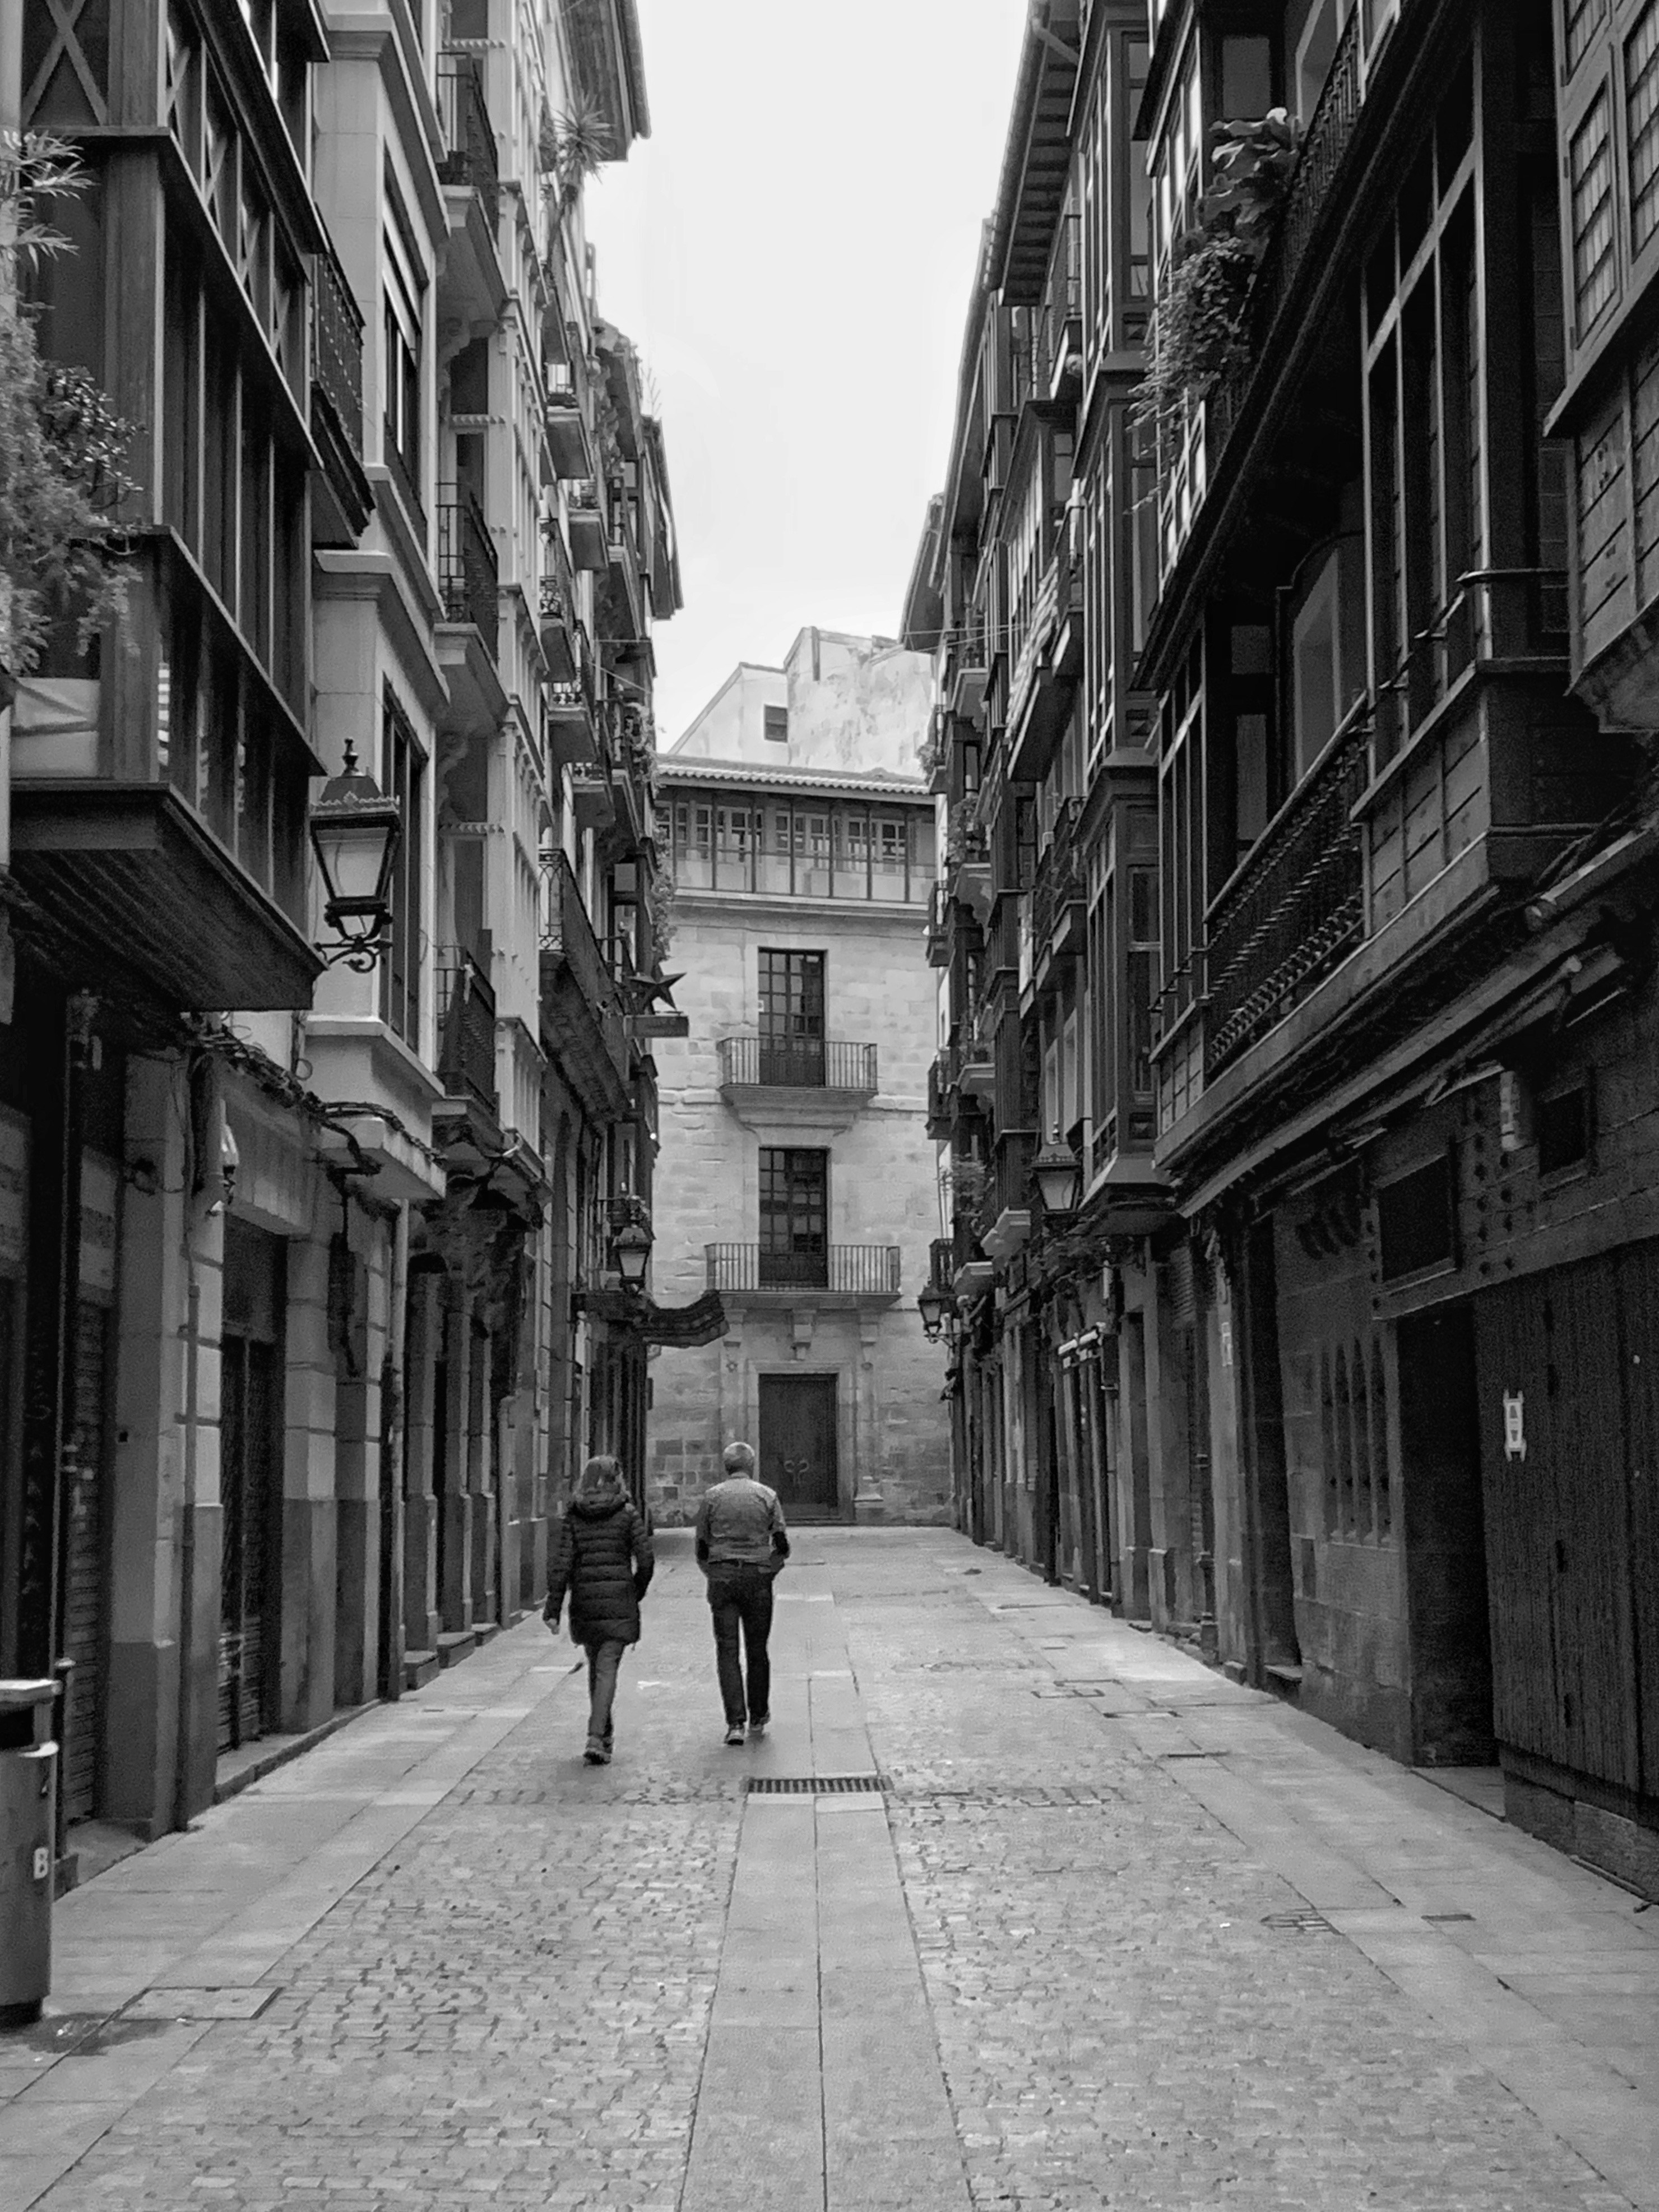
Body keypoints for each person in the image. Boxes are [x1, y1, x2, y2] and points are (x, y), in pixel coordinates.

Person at [543, 1455, 655, 1765]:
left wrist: (553, 1609)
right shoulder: (628, 1514)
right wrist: (635, 1591)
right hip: (619, 1600)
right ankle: (596, 1737)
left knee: (597, 1665)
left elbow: (562, 1564)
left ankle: (604, 1737)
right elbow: (646, 1561)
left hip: (586, 1601)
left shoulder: (575, 1515)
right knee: (606, 1668)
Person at [695, 1440, 789, 1745]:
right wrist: (770, 1568)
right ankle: (759, 1715)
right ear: (750, 1465)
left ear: (726, 1467)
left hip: (722, 1577)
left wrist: (713, 1570)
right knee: (758, 1648)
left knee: (727, 1650)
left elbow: (701, 1546)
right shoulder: (767, 1495)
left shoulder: (712, 1497)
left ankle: (735, 1723)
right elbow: (782, 1544)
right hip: (757, 1578)